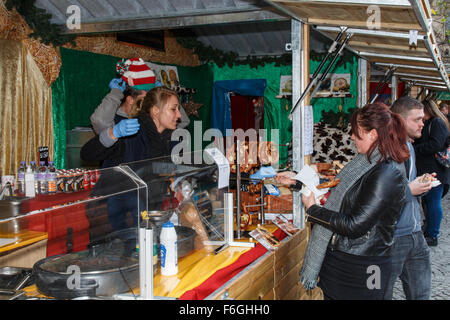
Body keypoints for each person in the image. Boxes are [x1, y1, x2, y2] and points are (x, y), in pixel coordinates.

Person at [277, 103, 409, 300]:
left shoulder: (386, 172)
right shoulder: (368, 161)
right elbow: (341, 193)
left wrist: (312, 209)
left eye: (357, 133)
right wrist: (298, 182)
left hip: (364, 266)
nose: (352, 137)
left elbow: (355, 225)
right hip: (344, 262)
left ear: (373, 134)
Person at [81, 86, 182, 230]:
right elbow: (87, 154)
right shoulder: (133, 134)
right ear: (155, 111)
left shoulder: (169, 139)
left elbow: (157, 170)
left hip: (145, 217)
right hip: (113, 222)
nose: (179, 115)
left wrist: (177, 179)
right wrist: (113, 133)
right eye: (173, 109)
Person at [384, 96, 432, 300]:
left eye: (423, 119)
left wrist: (422, 184)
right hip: (391, 238)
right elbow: (377, 195)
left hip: (415, 233)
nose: (423, 123)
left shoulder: (409, 146)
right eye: (417, 119)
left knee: (421, 295)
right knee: (380, 294)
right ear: (400, 120)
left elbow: (407, 184)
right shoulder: (385, 151)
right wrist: (409, 189)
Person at [414, 99, 450, 246]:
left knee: (433, 201)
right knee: (428, 201)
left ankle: (433, 234)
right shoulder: (431, 123)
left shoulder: (437, 123)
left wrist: (416, 149)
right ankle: (428, 229)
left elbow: (436, 144)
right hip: (427, 168)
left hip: (436, 170)